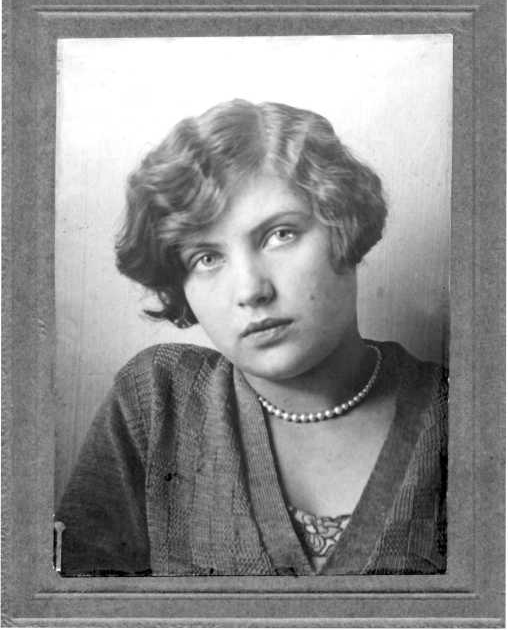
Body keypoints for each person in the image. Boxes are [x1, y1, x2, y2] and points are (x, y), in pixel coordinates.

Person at [56, 99, 448, 576]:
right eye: (206, 258)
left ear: (344, 225)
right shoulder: (155, 402)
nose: (250, 291)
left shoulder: (461, 415)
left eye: (280, 234)